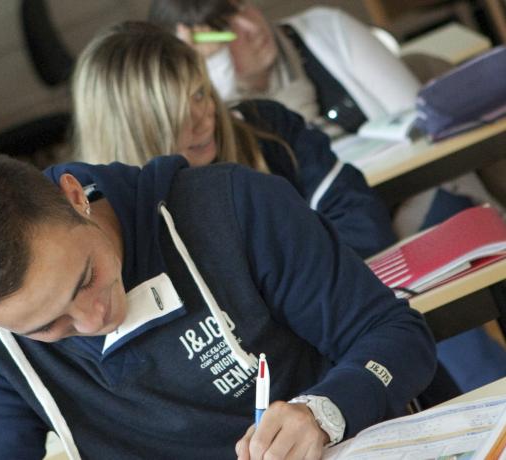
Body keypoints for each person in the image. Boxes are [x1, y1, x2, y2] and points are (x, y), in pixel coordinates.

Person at [0, 147, 436, 459]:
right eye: (49, 327)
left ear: (75, 197)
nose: (94, 319)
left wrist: (325, 411)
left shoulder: (231, 207)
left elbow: (396, 336)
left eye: (86, 278)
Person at [148, 0, 506, 394]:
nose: (249, 28)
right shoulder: (219, 123)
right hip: (341, 254)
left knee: (445, 336)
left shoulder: (324, 32)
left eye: (243, 8)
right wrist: (218, 77)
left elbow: (423, 120)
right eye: (223, 30)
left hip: (413, 206)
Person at [72, 21, 395, 259]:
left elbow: (364, 224)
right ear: (127, 130)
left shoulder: (268, 128)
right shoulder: (109, 223)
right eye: (174, 114)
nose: (203, 120)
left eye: (200, 94)